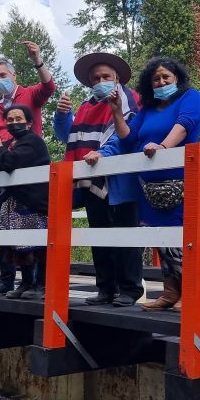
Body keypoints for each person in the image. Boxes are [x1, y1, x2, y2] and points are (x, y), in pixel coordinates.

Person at [85, 57, 200, 311]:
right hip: (150, 188)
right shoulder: (147, 110)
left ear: (176, 79)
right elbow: (128, 139)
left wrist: (162, 147)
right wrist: (117, 110)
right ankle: (170, 293)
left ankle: (190, 293)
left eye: (165, 78)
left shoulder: (190, 97)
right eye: (155, 79)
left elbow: (185, 125)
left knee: (182, 239)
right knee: (161, 239)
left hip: (180, 181)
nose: (161, 82)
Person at [54, 53, 144, 307]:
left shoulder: (129, 98)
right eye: (96, 78)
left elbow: (127, 135)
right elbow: (68, 136)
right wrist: (62, 116)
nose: (101, 81)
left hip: (119, 180)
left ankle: (130, 289)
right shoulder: (85, 106)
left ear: (117, 78)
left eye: (106, 76)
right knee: (99, 236)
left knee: (124, 236)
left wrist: (103, 154)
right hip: (91, 179)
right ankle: (105, 288)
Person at [0, 41, 57, 295]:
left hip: (34, 195)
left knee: (37, 241)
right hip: (14, 193)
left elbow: (49, 87)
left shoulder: (30, 136)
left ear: (13, 75)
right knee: (15, 237)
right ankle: (20, 282)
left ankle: (41, 285)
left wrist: (37, 59)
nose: (0, 80)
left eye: (3, 75)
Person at [0, 104, 50, 300]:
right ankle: (26, 282)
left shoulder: (32, 141)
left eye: (18, 119)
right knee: (20, 246)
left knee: (36, 245)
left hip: (34, 202)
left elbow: (11, 162)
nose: (14, 123)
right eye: (10, 120)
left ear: (29, 122)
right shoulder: (10, 143)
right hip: (15, 202)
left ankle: (40, 285)